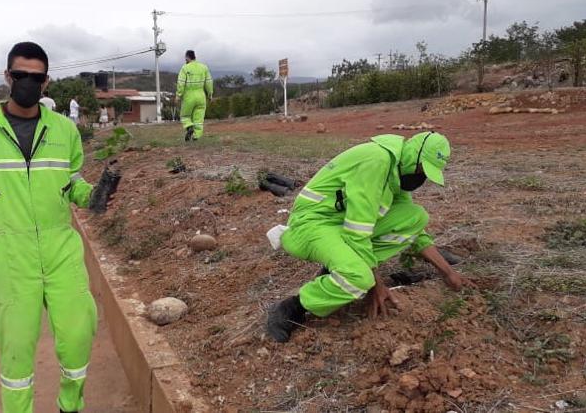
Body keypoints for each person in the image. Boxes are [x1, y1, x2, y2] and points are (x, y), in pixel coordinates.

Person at [0, 42, 103, 413]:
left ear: (46, 82)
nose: (28, 82)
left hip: (61, 247)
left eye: (36, 77)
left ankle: (69, 405)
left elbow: (73, 181)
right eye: (20, 75)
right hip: (10, 254)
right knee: (16, 350)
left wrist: (92, 195)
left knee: (79, 334)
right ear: (7, 76)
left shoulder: (64, 130)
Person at [265, 131, 475, 343]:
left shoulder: (397, 171)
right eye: (421, 169)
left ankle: (344, 266)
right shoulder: (377, 161)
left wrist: (447, 272)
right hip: (311, 225)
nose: (421, 177)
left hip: (338, 225)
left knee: (416, 216)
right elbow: (358, 230)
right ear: (413, 155)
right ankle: (293, 306)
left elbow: (415, 231)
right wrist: (377, 283)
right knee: (360, 278)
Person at [176, 49, 213, 141]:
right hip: (201, 96)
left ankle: (189, 127)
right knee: (199, 118)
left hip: (189, 96)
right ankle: (196, 136)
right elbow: (209, 82)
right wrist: (210, 94)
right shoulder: (204, 67)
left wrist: (178, 95)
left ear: (187, 57)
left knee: (185, 116)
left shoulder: (185, 68)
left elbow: (181, 83)